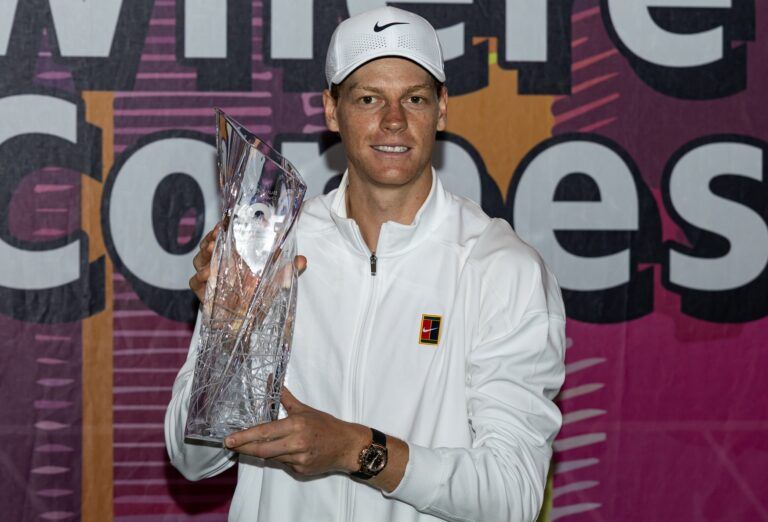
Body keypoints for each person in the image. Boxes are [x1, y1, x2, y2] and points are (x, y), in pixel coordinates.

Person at [165, 6, 566, 522]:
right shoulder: (268, 251)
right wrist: (231, 333)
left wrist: (358, 450)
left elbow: (511, 496)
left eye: (415, 98)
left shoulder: (501, 268)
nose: (394, 121)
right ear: (332, 110)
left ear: (442, 109)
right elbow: (192, 460)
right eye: (369, 98)